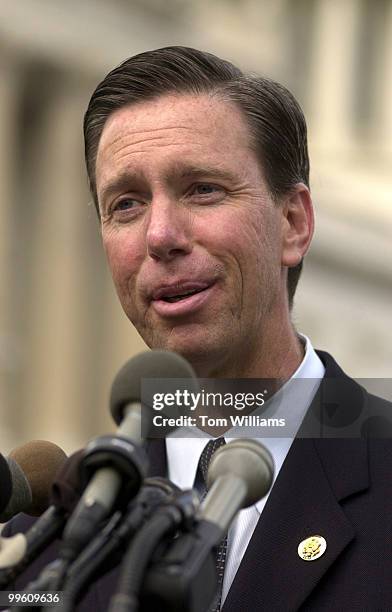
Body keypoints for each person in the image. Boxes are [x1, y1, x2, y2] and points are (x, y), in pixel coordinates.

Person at [3, 46, 392, 611]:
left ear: (294, 224)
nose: (160, 235)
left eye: (202, 189)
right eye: (127, 204)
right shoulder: (45, 546)